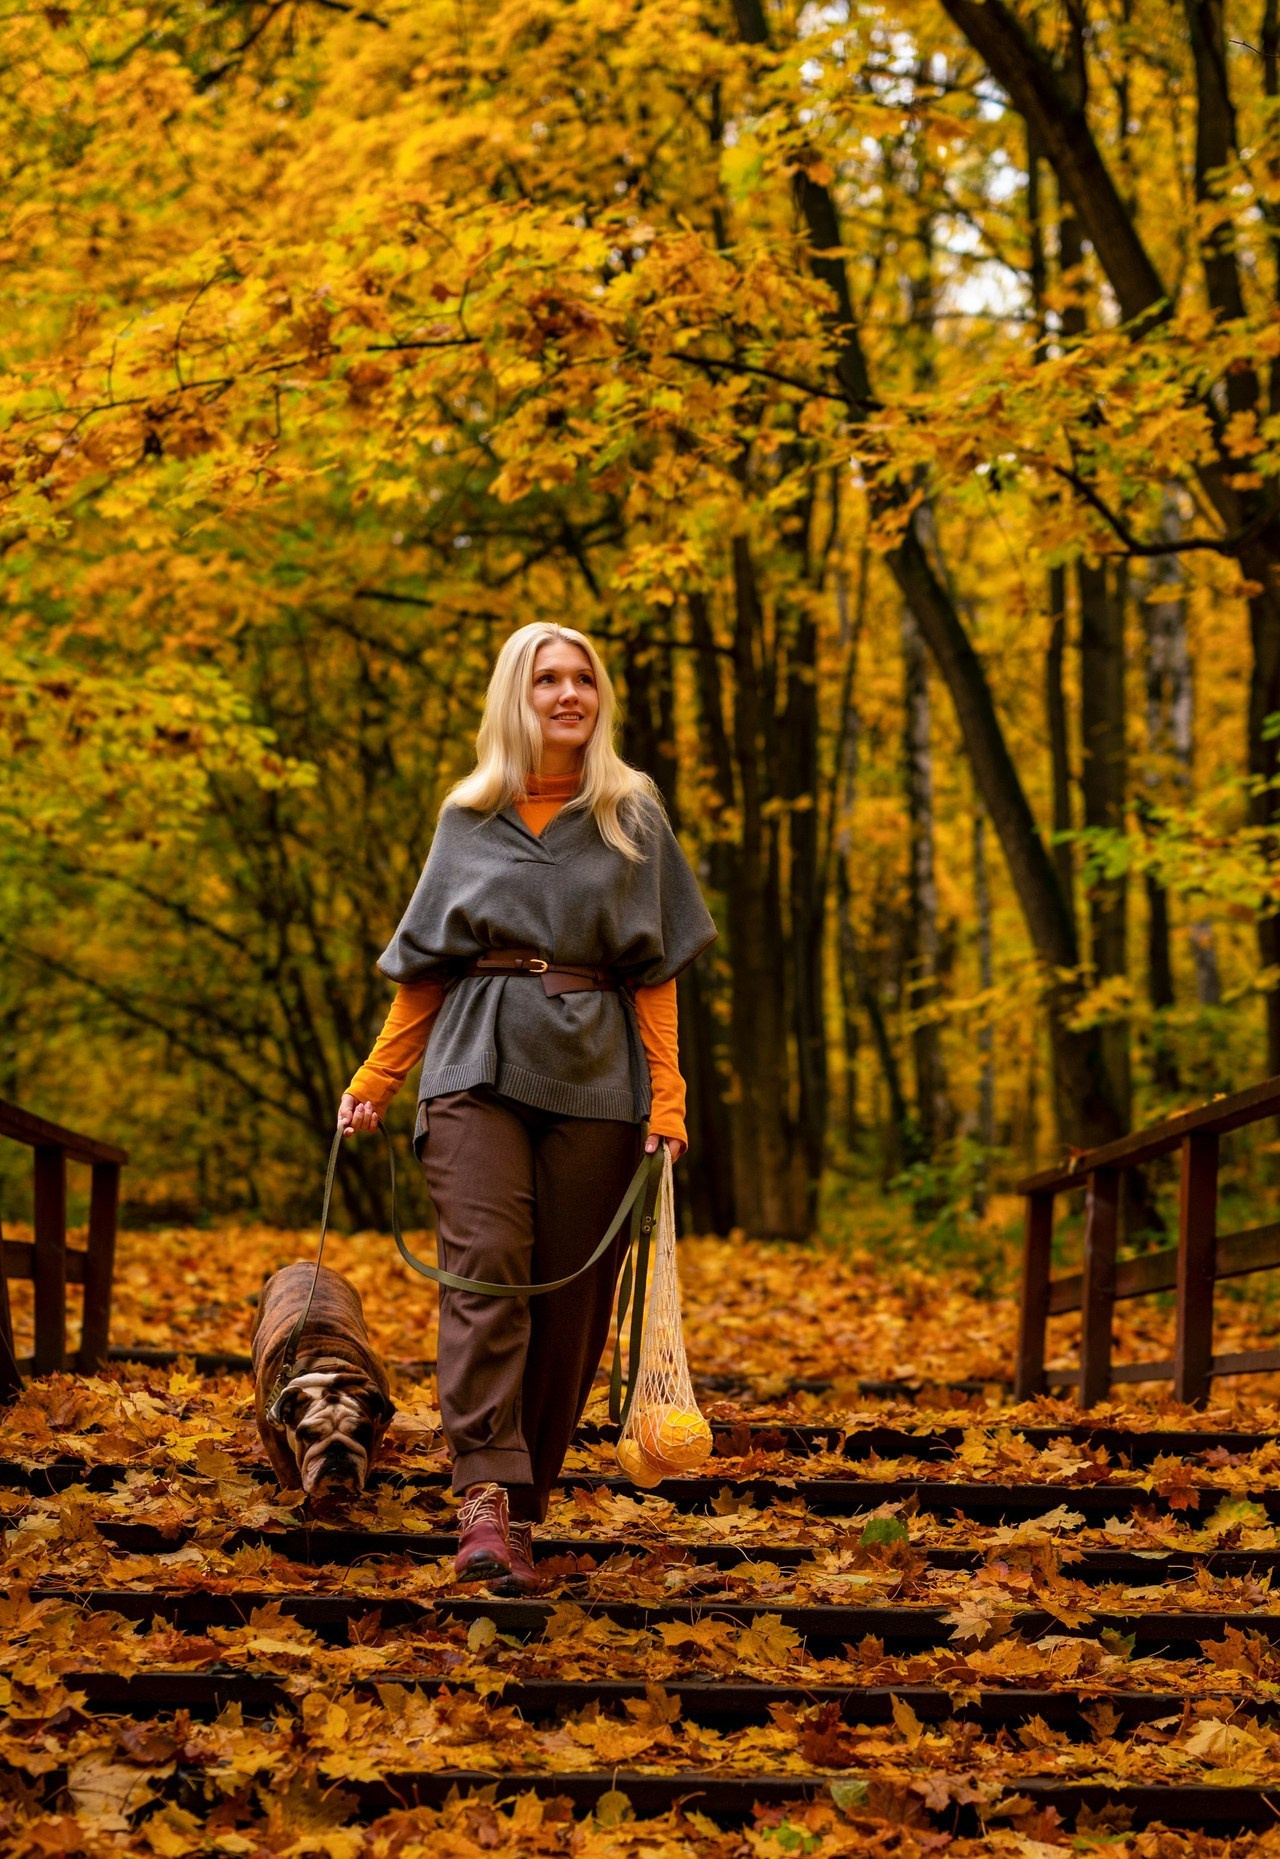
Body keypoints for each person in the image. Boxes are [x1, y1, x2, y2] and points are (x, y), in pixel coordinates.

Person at [337, 622, 717, 1593]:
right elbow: (423, 971)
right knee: (486, 1269)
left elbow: (656, 975)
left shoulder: (631, 814)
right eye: (545, 677)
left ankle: (524, 1501)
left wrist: (665, 1102)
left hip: (599, 1077)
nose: (565, 692)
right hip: (475, 1060)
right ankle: (482, 1497)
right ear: (517, 694)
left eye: (580, 677)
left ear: (598, 696)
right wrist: (377, 1080)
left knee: (566, 1298)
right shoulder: (467, 817)